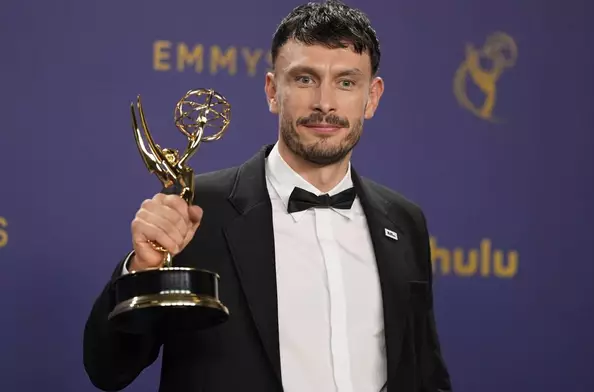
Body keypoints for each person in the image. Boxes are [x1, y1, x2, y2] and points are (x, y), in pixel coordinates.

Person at [83, 1, 452, 391]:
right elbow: (108, 369)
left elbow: (424, 373)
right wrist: (142, 271)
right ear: (273, 91)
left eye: (346, 82)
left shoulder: (404, 221)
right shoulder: (196, 211)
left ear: (372, 97)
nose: (324, 102)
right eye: (305, 79)